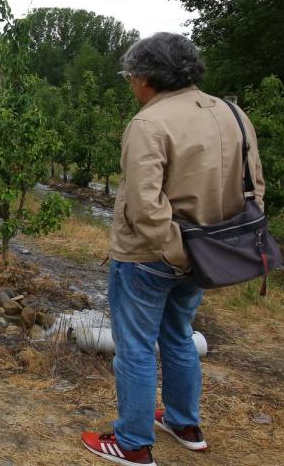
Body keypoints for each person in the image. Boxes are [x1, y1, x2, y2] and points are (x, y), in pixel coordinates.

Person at [80, 33, 265, 466]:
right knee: (179, 335)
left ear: (145, 77)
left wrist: (174, 251)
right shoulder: (232, 113)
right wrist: (206, 250)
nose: (130, 84)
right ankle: (184, 423)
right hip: (210, 250)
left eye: (130, 76)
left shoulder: (149, 122)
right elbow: (255, 186)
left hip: (153, 256)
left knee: (136, 347)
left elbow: (145, 206)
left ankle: (132, 444)